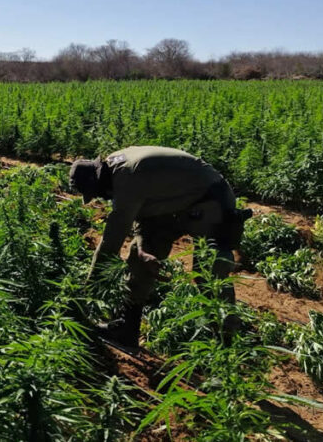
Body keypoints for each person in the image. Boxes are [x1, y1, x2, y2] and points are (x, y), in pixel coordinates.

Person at [69, 146, 251, 346]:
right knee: (140, 256)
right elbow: (144, 213)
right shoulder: (114, 166)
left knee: (209, 272)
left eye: (99, 194)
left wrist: (87, 292)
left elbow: (111, 242)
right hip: (175, 203)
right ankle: (127, 328)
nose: (104, 198)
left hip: (211, 200)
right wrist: (142, 249)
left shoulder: (127, 178)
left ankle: (227, 344)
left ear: (98, 183)